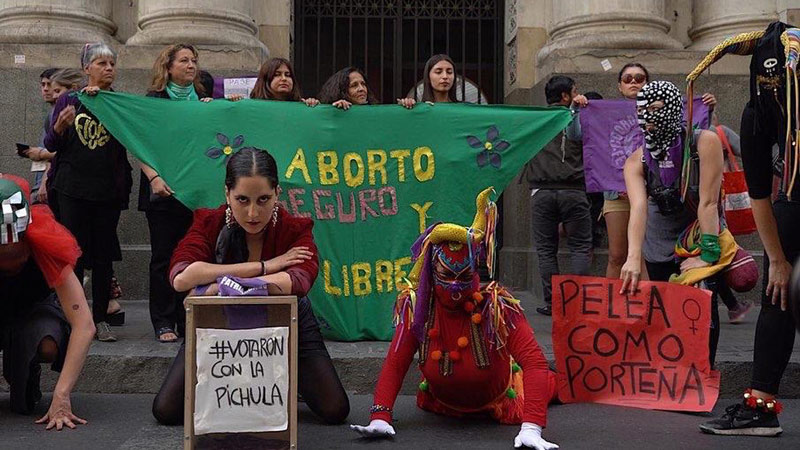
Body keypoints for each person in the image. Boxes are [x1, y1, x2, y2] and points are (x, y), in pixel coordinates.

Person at [151, 147, 349, 426]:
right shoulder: (209, 222)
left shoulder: (296, 228)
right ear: (227, 194)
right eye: (242, 200)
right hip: (217, 325)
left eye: (263, 199)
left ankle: (285, 382)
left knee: (334, 409)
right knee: (166, 410)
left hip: (288, 324)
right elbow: (181, 277)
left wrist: (213, 286)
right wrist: (267, 267)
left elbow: (297, 281)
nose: (253, 212)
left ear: (277, 194)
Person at [350, 188, 559, 450]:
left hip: (504, 398)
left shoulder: (497, 307)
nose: (456, 287)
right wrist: (380, 416)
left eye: (464, 277)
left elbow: (535, 364)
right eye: (446, 276)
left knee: (554, 382)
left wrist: (532, 427)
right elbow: (396, 362)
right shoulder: (417, 309)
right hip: (442, 405)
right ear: (430, 272)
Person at [700, 21, 797, 437]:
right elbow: (758, 191)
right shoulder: (759, 111)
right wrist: (775, 259)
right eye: (766, 78)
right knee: (778, 294)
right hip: (792, 197)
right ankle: (761, 406)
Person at [619, 80, 726, 367]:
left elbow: (708, 202)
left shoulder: (704, 141)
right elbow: (638, 208)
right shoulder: (637, 159)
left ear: (672, 108)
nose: (648, 117)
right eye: (642, 110)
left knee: (702, 308)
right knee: (663, 310)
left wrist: (708, 254)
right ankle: (668, 376)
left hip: (697, 236)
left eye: (655, 109)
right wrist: (632, 258)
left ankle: (701, 374)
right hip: (658, 242)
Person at [44, 42, 133, 342]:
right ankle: (75, 319)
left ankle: (100, 318)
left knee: (104, 256)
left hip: (107, 191)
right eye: (101, 63)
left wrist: (105, 103)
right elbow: (51, 145)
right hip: (72, 189)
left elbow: (132, 137)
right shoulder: (71, 99)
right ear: (86, 69)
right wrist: (59, 126)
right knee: (75, 254)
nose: (108, 68)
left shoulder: (117, 102)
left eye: (111, 64)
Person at [0, 174, 95, 430]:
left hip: (35, 308)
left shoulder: (46, 242)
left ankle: (28, 366)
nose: (11, 267)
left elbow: (84, 324)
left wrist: (61, 395)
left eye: (17, 258)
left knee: (47, 345)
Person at [138, 44, 211, 343]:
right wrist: (154, 177)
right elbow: (139, 142)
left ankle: (187, 317)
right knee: (164, 257)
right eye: (184, 60)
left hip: (195, 194)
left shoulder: (206, 99)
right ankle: (163, 320)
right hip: (164, 191)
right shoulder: (154, 100)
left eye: (194, 60)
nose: (191, 65)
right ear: (167, 67)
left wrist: (226, 107)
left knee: (193, 256)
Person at [521, 75, 591, 316]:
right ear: (565, 96)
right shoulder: (575, 116)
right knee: (580, 247)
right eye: (574, 90)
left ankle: (553, 303)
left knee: (546, 250)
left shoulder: (535, 121)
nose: (577, 93)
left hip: (541, 192)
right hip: (574, 190)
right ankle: (579, 303)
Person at [21, 68, 58, 205]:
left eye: (50, 84)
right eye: (43, 85)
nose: (46, 89)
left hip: (51, 185)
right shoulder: (51, 114)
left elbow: (57, 152)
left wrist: (44, 185)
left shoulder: (60, 115)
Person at [249, 57, 319, 106]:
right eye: (277, 75)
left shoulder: (302, 106)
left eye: (288, 75)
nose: (284, 78)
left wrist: (313, 106)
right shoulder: (251, 107)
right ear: (266, 79)